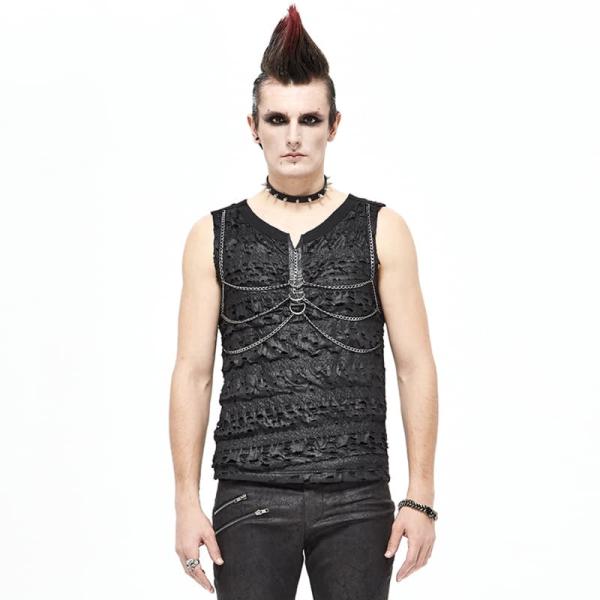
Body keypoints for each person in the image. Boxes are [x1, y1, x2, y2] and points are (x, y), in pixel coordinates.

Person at [169, 4, 438, 599]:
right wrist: (186, 503)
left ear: (333, 125)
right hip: (248, 496)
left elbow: (415, 365)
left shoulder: (382, 229)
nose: (293, 136)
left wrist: (421, 496)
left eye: (309, 119)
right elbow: (192, 373)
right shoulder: (212, 236)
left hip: (358, 498)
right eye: (278, 119)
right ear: (254, 126)